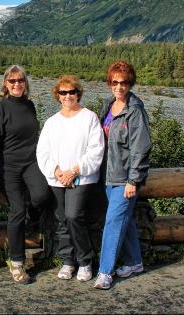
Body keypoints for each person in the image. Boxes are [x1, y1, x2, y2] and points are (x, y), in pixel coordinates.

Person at [36, 75, 104, 282]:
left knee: (74, 216)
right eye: (63, 92)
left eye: (72, 92)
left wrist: (75, 170)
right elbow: (42, 152)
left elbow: (96, 149)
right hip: (57, 179)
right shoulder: (51, 122)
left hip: (81, 178)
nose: (68, 96)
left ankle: (85, 261)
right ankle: (68, 260)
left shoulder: (89, 117)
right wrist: (56, 172)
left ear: (78, 94)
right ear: (58, 95)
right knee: (61, 220)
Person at [0, 64, 51, 284]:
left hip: (32, 162)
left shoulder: (30, 105)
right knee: (16, 210)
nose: (17, 84)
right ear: (5, 84)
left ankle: (31, 223)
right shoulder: (0, 108)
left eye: (20, 80)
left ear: (25, 83)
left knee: (42, 195)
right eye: (12, 81)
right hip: (10, 167)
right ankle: (16, 263)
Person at [94, 60, 152, 290]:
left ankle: (105, 272)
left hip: (125, 179)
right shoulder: (108, 106)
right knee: (123, 221)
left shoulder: (135, 111)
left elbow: (141, 148)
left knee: (113, 222)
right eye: (115, 82)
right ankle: (135, 262)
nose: (119, 86)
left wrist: (133, 181)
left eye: (124, 82)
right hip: (108, 175)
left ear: (130, 83)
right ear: (110, 83)